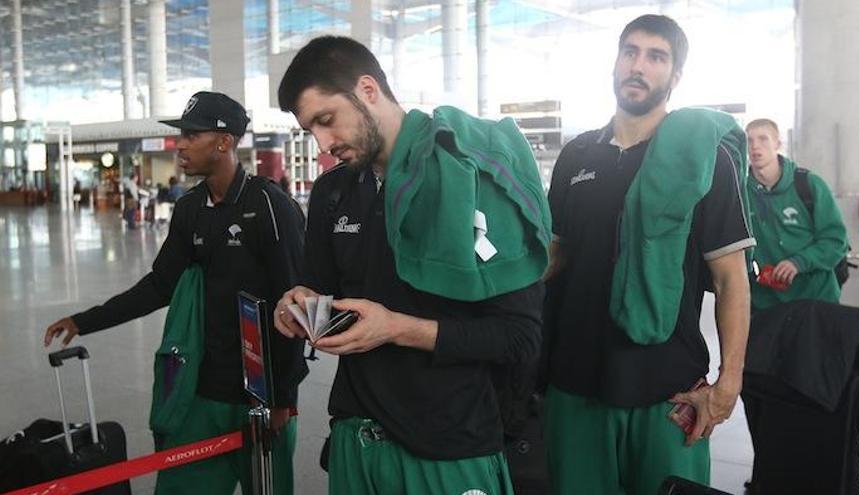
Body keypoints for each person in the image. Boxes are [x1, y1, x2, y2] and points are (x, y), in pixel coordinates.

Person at [273, 36, 549, 495]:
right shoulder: (332, 193)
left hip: (448, 448)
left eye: (326, 121)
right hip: (355, 440)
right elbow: (319, 291)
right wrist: (299, 304)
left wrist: (397, 328)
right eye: (310, 131)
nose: (322, 143)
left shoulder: (472, 177)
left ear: (367, 90)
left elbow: (519, 337)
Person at [43, 91, 307, 495]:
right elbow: (159, 286)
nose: (179, 144)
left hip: (258, 397)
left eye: (191, 135)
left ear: (224, 141)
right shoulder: (190, 209)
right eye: (180, 135)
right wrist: (85, 321)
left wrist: (284, 397)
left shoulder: (270, 205)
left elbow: (294, 302)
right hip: (198, 392)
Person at [542, 14, 753, 495]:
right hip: (576, 382)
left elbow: (730, 280)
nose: (638, 66)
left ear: (674, 76)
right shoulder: (578, 156)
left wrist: (728, 384)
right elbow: (557, 252)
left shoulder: (702, 159)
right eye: (630, 52)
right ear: (615, 62)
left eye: (656, 57)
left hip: (667, 389)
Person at [745, 118, 848, 310]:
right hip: (765, 305)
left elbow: (835, 240)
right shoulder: (740, 193)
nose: (755, 146)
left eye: (763, 139)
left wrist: (799, 262)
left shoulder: (809, 185)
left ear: (778, 143)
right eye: (749, 140)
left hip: (815, 300)